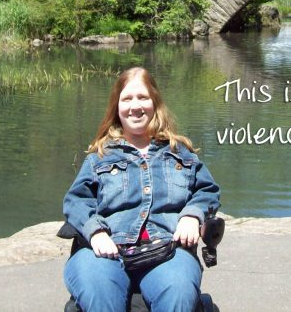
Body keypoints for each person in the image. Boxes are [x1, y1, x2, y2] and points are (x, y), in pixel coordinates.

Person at [62, 67, 221, 312]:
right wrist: (95, 232)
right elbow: (76, 201)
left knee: (177, 291)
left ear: (155, 102)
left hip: (167, 249)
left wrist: (192, 214)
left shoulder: (180, 153)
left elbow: (207, 191)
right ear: (117, 106)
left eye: (143, 97)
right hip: (107, 251)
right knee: (99, 291)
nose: (135, 106)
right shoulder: (100, 156)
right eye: (127, 99)